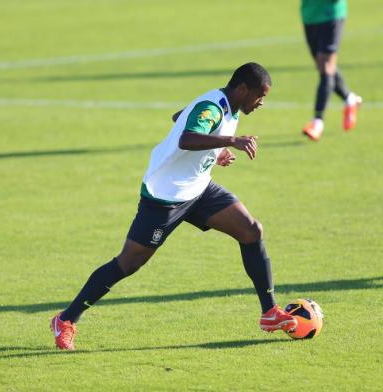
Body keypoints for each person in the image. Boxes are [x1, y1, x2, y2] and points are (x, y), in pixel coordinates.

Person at [50, 62, 297, 350]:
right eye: (259, 96)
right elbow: (186, 136)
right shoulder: (212, 107)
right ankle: (66, 320)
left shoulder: (226, 106)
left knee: (251, 230)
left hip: (199, 188)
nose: (261, 103)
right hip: (165, 197)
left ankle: (269, 313)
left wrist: (215, 151)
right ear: (242, 89)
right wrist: (230, 140)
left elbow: (179, 117)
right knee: (129, 262)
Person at [300, 0, 362, 141]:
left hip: (330, 14)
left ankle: (317, 122)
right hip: (309, 15)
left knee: (326, 66)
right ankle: (350, 99)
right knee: (323, 66)